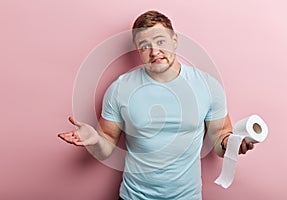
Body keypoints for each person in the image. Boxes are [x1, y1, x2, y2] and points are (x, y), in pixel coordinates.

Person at [58, 10, 254, 200]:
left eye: (161, 42)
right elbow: (107, 144)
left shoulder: (207, 86)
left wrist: (233, 144)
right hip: (133, 196)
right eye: (144, 46)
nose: (154, 52)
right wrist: (95, 140)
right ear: (138, 51)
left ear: (174, 41)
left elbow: (220, 139)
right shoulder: (120, 89)